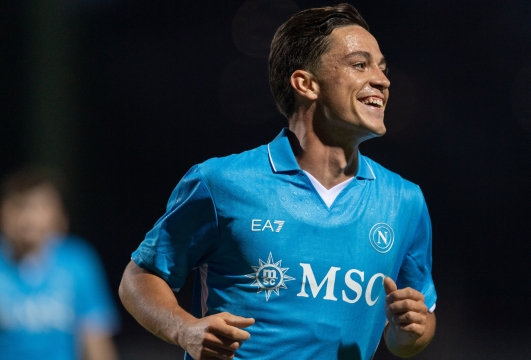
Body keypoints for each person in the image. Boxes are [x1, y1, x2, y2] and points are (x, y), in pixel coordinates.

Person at [119, 3, 436, 359]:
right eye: (360, 65)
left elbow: (409, 334)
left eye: (382, 67)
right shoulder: (220, 183)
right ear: (306, 84)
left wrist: (412, 331)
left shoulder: (405, 202)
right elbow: (138, 278)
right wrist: (184, 329)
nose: (382, 79)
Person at [0, 166, 120, 360]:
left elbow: (96, 340)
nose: (29, 218)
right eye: (20, 206)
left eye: (39, 206)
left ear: (58, 215)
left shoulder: (77, 262)